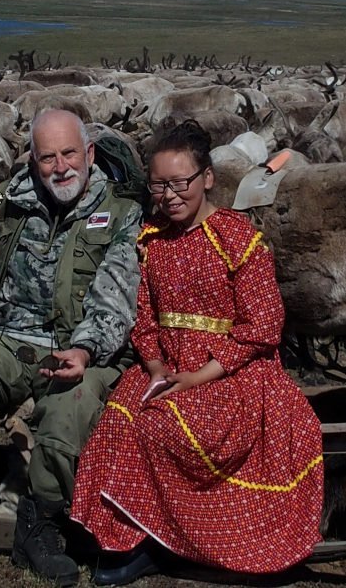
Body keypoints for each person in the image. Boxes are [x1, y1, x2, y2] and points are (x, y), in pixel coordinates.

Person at [71, 120, 324, 585]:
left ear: (207, 178)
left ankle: (192, 539)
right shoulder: (151, 241)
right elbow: (143, 318)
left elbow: (262, 326)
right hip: (167, 367)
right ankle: (136, 540)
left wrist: (196, 377)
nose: (169, 195)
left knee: (167, 426)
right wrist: (154, 366)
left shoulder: (237, 240)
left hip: (232, 373)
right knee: (119, 425)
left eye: (179, 183)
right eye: (159, 185)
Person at [0, 109, 143, 585]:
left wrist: (86, 349)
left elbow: (116, 294)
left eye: (70, 153)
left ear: (89, 153)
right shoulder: (11, 202)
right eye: (48, 157)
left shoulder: (120, 212)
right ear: (33, 162)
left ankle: (42, 523)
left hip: (83, 345)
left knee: (69, 408)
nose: (61, 167)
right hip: (10, 335)